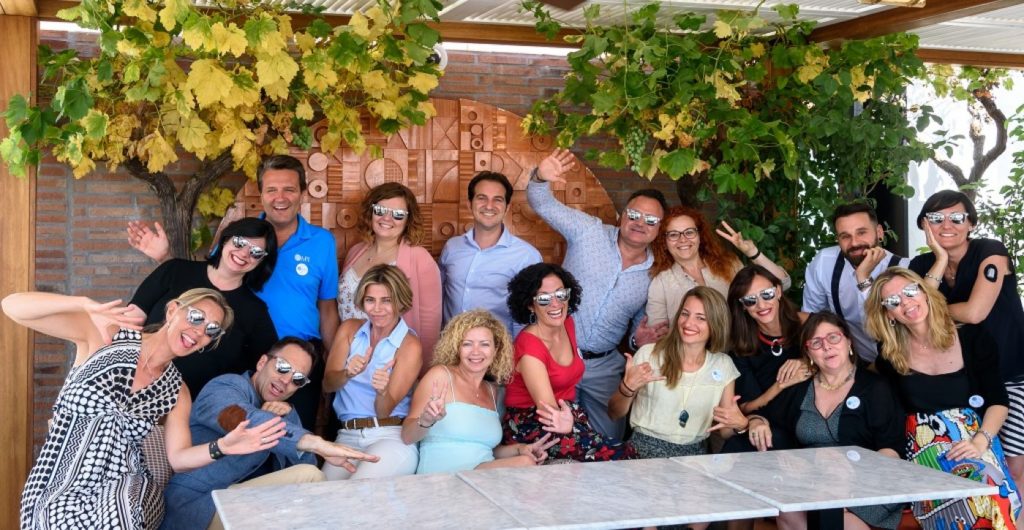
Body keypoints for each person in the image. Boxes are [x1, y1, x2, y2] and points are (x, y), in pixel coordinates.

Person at [5, 288, 286, 529]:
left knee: (123, 516)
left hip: (123, 485)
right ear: (172, 310)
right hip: (58, 478)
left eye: (211, 330)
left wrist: (223, 446)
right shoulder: (107, 335)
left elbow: (178, 458)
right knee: (51, 520)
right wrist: (82, 304)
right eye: (196, 317)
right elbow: (12, 306)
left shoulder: (177, 390)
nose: (200, 331)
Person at [127, 154, 340, 428]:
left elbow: (327, 308)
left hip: (297, 362)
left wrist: (333, 364)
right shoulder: (242, 236)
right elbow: (210, 279)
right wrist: (166, 260)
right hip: (244, 359)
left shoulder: (322, 242)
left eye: (289, 189)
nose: (280, 197)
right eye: (271, 189)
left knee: (290, 434)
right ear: (261, 194)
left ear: (302, 192)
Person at [161, 338, 377, 530]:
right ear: (262, 362)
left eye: (298, 378)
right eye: (283, 367)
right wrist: (316, 443)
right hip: (200, 505)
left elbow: (305, 462)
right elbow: (241, 420)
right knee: (310, 477)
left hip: (245, 504)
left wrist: (290, 416)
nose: (286, 380)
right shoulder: (226, 385)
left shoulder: (284, 414)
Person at [529, 148, 669, 439]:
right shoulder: (588, 231)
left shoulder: (656, 273)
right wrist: (541, 177)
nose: (640, 223)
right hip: (556, 354)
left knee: (609, 440)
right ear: (623, 215)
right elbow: (542, 203)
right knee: (548, 435)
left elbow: (637, 329)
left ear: (659, 228)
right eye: (634, 214)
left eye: (650, 220)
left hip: (604, 366)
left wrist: (637, 340)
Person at [866, 267, 1022, 529]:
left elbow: (998, 401)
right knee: (958, 507)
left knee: (987, 492)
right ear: (888, 314)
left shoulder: (972, 337)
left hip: (975, 438)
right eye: (893, 301)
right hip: (923, 448)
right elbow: (864, 382)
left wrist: (980, 441)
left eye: (910, 291)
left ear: (924, 292)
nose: (905, 302)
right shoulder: (890, 354)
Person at [909, 189, 1024, 485]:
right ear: (924, 224)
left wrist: (931, 310)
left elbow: (974, 313)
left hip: (1012, 375)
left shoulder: (990, 252)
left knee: (1014, 467)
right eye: (936, 218)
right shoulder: (920, 266)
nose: (947, 225)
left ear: (971, 223)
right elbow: (913, 315)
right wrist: (940, 259)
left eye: (957, 218)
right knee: (967, 466)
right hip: (966, 381)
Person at [763, 312, 905, 530]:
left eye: (833, 337)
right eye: (816, 343)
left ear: (848, 341)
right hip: (812, 480)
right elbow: (772, 421)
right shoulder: (800, 388)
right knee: (788, 512)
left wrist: (852, 478)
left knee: (836, 516)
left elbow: (891, 449)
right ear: (808, 352)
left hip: (866, 483)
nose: (826, 347)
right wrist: (757, 421)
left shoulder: (874, 388)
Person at [129, 217, 279, 397]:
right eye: (240, 242)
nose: (245, 253)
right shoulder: (175, 270)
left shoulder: (255, 311)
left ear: (262, 261)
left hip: (198, 403)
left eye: (256, 252)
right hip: (136, 381)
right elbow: (130, 320)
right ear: (226, 239)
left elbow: (267, 366)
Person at [502, 263, 636, 462]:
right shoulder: (529, 348)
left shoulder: (567, 324)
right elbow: (548, 411)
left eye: (560, 294)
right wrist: (574, 425)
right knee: (623, 455)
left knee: (624, 451)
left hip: (566, 415)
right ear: (530, 305)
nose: (555, 304)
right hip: (534, 424)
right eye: (544, 298)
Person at [610, 287, 752, 467]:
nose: (688, 323)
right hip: (643, 453)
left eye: (700, 318)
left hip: (695, 459)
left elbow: (724, 431)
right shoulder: (648, 354)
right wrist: (627, 388)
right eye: (685, 314)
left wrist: (741, 425)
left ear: (716, 324)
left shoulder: (723, 365)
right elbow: (614, 413)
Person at [403, 310, 557, 474]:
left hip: (482, 476)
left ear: (496, 350)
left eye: (484, 344)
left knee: (529, 462)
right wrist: (426, 420)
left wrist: (520, 449)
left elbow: (487, 450)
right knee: (525, 464)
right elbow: (407, 436)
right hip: (442, 476)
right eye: (467, 344)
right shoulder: (441, 375)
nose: (476, 352)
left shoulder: (493, 391)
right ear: (457, 348)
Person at [323, 264, 422, 479]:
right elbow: (328, 384)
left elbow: (384, 411)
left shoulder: (409, 345)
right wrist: (347, 374)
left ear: (400, 301)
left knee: (360, 489)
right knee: (321, 491)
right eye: (370, 300)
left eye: (386, 300)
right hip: (347, 435)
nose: (377, 309)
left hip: (389, 435)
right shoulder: (349, 329)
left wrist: (382, 391)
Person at [341, 182, 442, 368]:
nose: (387, 218)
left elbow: (430, 327)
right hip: (347, 358)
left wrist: (420, 372)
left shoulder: (419, 258)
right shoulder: (355, 251)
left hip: (390, 363)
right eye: (380, 210)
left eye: (398, 214)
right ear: (370, 212)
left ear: (408, 220)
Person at [646, 205, 790, 326]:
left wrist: (752, 252)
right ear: (664, 241)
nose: (682, 239)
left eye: (689, 232)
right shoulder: (660, 283)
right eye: (673, 234)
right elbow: (657, 333)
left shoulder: (729, 264)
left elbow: (783, 283)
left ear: (700, 236)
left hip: (738, 347)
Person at [802, 202, 908, 363]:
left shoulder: (903, 268)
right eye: (845, 236)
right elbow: (812, 318)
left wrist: (862, 276)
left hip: (901, 359)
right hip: (850, 361)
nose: (854, 243)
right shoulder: (824, 263)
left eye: (862, 232)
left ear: (879, 232)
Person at [440, 171, 542, 334]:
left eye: (498, 199)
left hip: (499, 347)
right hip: (450, 345)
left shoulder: (526, 256)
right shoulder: (452, 247)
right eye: (482, 198)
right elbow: (438, 296)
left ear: (507, 208)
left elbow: (532, 315)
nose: (489, 206)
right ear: (469, 204)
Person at [725, 265, 810, 449]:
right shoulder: (741, 348)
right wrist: (780, 385)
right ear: (743, 306)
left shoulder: (808, 324)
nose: (761, 305)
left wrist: (808, 361)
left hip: (811, 419)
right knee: (738, 445)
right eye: (750, 300)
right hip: (770, 424)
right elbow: (746, 406)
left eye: (767, 294)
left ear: (778, 291)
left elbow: (842, 357)